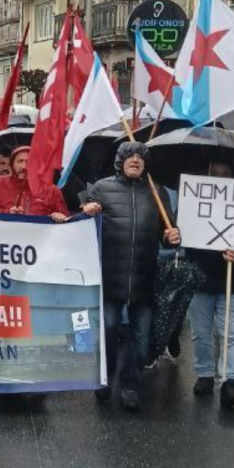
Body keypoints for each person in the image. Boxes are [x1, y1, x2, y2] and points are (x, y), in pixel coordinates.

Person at [79, 142, 181, 411]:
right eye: (130, 156)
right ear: (120, 161)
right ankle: (105, 378)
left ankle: (131, 385)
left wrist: (172, 238)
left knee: (141, 338)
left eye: (141, 156)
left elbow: (167, 234)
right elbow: (82, 228)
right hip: (110, 279)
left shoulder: (157, 193)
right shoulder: (101, 189)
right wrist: (86, 211)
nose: (136, 160)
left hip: (144, 281)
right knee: (109, 333)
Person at [182, 162, 234, 409]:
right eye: (214, 174)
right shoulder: (195, 203)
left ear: (233, 176)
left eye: (225, 174)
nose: (219, 178)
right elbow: (185, 241)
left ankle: (229, 382)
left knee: (231, 334)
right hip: (201, 279)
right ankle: (204, 375)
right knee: (201, 333)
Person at [0, 146, 69, 221]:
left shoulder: (52, 190)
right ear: (11, 165)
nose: (24, 166)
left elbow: (66, 219)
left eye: (29, 162)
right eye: (20, 161)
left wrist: (61, 216)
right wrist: (5, 212)